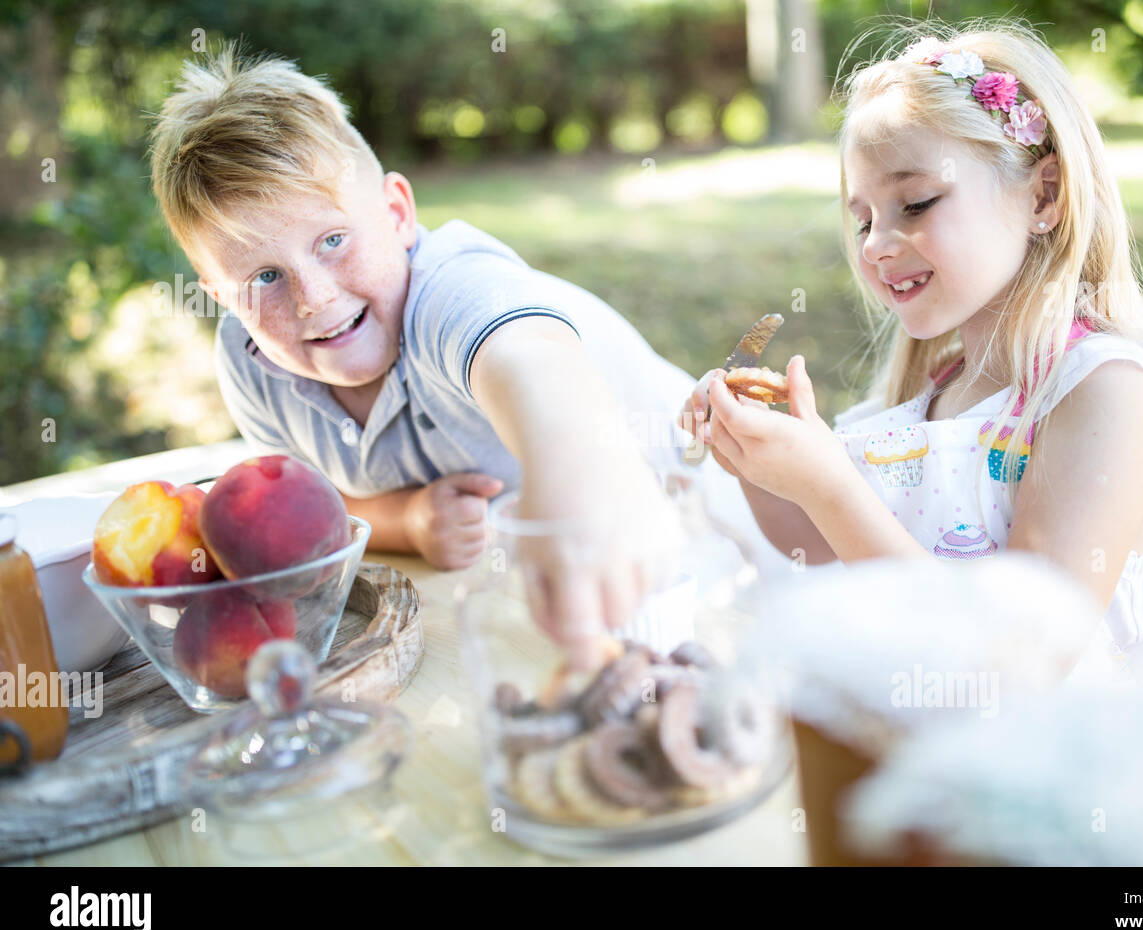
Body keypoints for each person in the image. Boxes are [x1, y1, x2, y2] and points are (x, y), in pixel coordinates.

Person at [148, 45, 757, 669]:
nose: (314, 298)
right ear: (222, 298)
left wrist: (583, 482)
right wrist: (407, 521)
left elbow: (535, 367)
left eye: (332, 240)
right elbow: (313, 508)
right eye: (265, 278)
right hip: (553, 595)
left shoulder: (450, 287)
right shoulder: (252, 361)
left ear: (397, 215)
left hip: (719, 522)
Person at [682, 21, 1143, 685]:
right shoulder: (939, 390)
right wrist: (756, 459)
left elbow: (1021, 656)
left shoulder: (1104, 390)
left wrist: (829, 482)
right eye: (863, 218)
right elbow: (820, 544)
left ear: (1043, 195)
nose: (877, 243)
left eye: (915, 203)